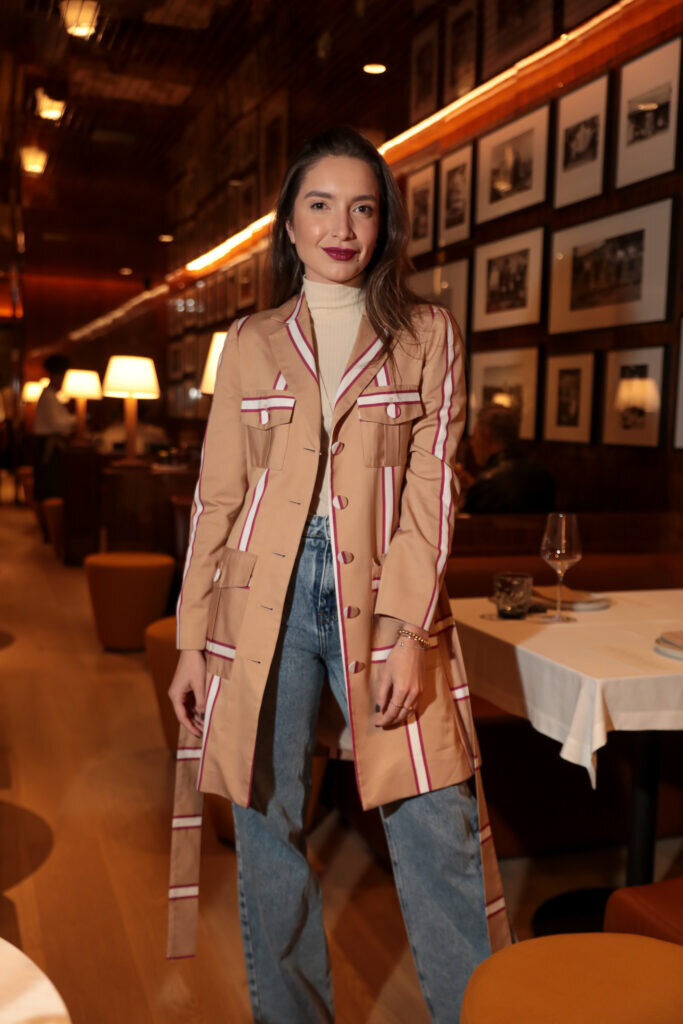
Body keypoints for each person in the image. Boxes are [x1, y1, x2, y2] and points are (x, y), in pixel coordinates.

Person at [167, 127, 510, 1023]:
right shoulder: (250, 340)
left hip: (386, 598)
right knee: (267, 824)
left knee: (435, 825)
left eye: (362, 207)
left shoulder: (426, 333)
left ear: (383, 222)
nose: (342, 226)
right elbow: (217, 496)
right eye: (320, 205)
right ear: (288, 224)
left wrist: (405, 631)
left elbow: (434, 489)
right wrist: (191, 640)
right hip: (260, 602)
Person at [458, 402, 556, 514]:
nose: (472, 443)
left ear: (487, 436)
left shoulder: (486, 485)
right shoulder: (544, 477)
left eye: (475, 436)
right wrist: (473, 486)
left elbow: (469, 523)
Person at [32, 354, 76, 533]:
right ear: (57, 376)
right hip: (49, 447)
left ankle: (50, 528)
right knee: (50, 486)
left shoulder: (52, 396)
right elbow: (59, 424)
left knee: (50, 485)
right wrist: (78, 419)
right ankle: (50, 529)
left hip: (49, 445)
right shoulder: (49, 397)